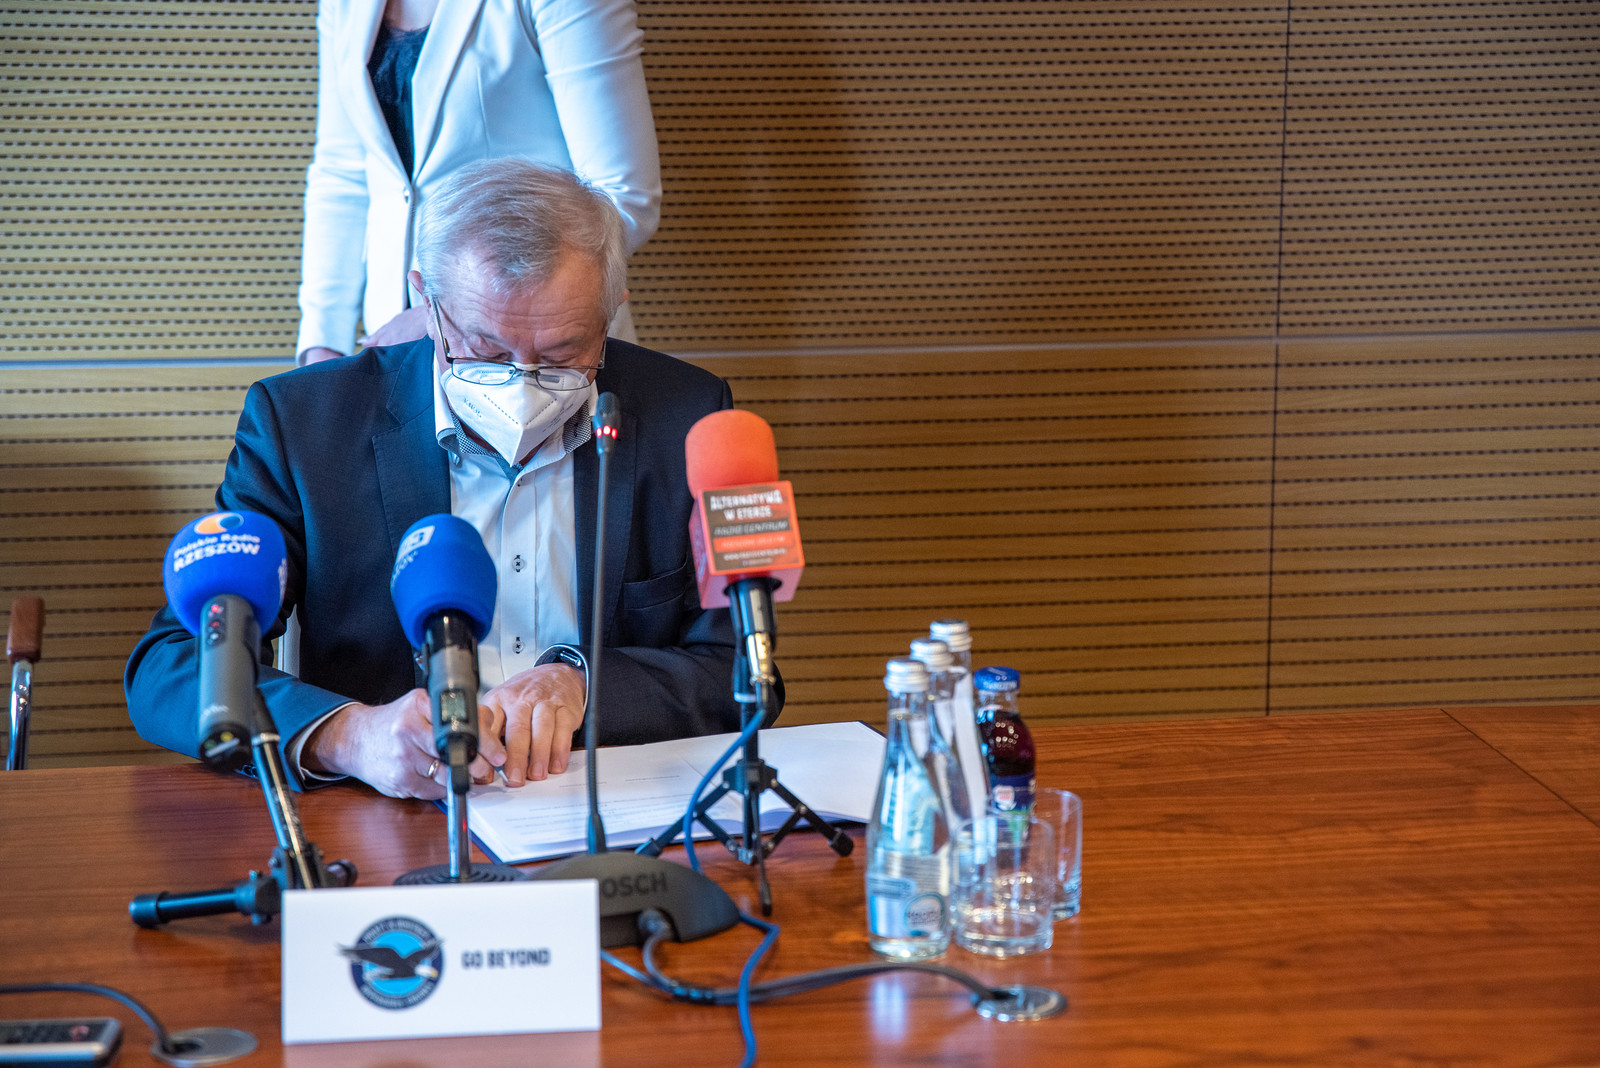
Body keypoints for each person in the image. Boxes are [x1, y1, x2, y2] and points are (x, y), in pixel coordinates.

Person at [127, 160, 758, 799]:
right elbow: (172, 666)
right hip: (390, 814)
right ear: (426, 302)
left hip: (614, 802)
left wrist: (584, 683)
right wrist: (348, 735)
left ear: (611, 310)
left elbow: (742, 667)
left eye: (562, 355)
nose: (523, 384)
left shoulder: (689, 417)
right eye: (487, 351)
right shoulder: (305, 427)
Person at [296, 0, 660, 364]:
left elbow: (623, 197)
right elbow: (342, 175)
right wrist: (323, 342)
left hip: (540, 346)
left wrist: (436, 316)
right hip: (393, 336)